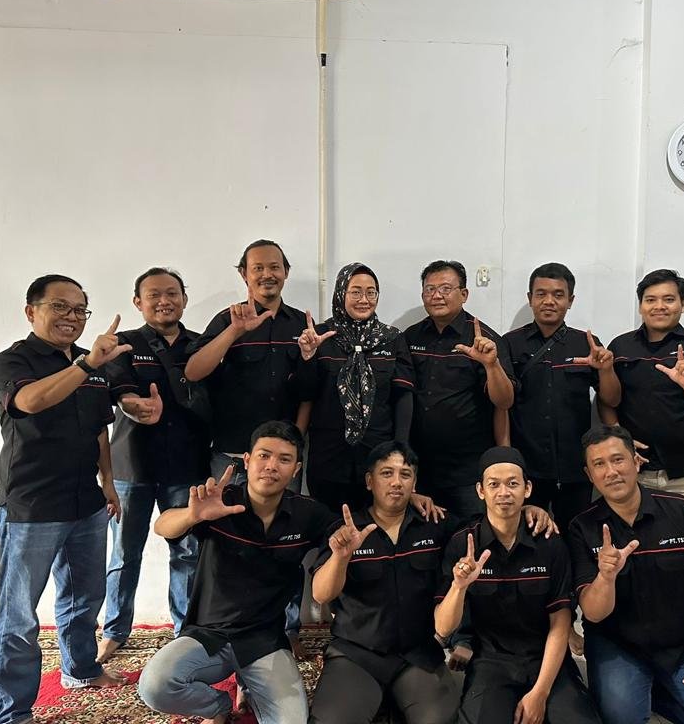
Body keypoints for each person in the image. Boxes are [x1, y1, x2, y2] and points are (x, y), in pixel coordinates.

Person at [308, 441, 558, 724]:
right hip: (357, 654)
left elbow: (487, 525)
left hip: (419, 655)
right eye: (386, 473)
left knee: (442, 720)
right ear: (369, 481)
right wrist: (341, 557)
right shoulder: (348, 529)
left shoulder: (437, 523)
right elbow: (321, 594)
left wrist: (525, 509)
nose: (396, 482)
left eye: (405, 475)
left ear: (414, 483)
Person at [0, 274, 128, 724]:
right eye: (60, 307)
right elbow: (30, 401)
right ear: (32, 311)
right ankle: (11, 713)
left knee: (85, 596)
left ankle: (80, 669)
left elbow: (99, 430)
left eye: (80, 310)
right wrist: (87, 364)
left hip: (86, 501)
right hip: (32, 506)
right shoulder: (13, 360)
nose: (72, 317)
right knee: (18, 617)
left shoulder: (92, 365)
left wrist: (108, 482)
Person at [138, 420, 339, 724]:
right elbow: (162, 525)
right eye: (264, 455)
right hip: (208, 636)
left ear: (296, 469)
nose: (271, 466)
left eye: (284, 459)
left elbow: (341, 530)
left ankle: (249, 684)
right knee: (156, 687)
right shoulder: (220, 501)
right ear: (247, 460)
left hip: (264, 641)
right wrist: (192, 515)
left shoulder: (307, 513)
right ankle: (218, 706)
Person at [569, 424, 684, 724]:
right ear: (589, 475)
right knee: (623, 717)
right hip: (617, 646)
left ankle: (661, 691)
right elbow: (594, 613)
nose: (611, 472)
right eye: (599, 464)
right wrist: (606, 577)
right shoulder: (582, 528)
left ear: (636, 461)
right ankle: (650, 690)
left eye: (618, 459)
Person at [434, 447, 598, 724]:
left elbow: (560, 623)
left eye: (512, 483)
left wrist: (540, 693)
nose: (504, 492)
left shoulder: (550, 542)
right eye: (493, 484)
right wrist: (459, 587)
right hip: (490, 662)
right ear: (480, 491)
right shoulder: (463, 543)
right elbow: (442, 627)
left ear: (527, 489)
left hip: (546, 658)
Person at [97, 267, 211, 663]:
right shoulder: (123, 345)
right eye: (154, 295)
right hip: (133, 467)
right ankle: (114, 630)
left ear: (184, 298)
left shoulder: (201, 345)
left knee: (187, 552)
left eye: (172, 293)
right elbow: (120, 392)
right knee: (124, 554)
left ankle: (185, 630)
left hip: (187, 466)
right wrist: (134, 405)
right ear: (138, 302)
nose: (165, 301)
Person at [599, 269, 684, 519]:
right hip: (633, 473)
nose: (659, 306)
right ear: (641, 306)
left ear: (683, 304)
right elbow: (607, 401)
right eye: (651, 299)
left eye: (669, 299)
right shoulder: (621, 346)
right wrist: (618, 436)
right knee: (634, 541)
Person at [505, 262, 620, 529]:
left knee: (578, 536)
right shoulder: (510, 343)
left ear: (570, 300)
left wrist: (606, 370)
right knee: (527, 536)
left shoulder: (586, 343)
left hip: (576, 466)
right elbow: (501, 404)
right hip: (527, 466)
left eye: (558, 294)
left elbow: (611, 400)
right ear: (530, 298)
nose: (549, 301)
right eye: (541, 294)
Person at [296, 263, 416, 512]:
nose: (364, 299)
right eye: (356, 292)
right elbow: (305, 393)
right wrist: (307, 357)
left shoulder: (392, 338)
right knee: (328, 525)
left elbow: (403, 397)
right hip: (329, 455)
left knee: (375, 523)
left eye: (371, 292)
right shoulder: (320, 336)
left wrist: (401, 449)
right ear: (341, 294)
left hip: (377, 454)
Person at [184, 239, 307, 483]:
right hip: (233, 455)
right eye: (258, 268)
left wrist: (298, 439)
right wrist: (234, 332)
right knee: (226, 510)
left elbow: (310, 390)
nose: (267, 274)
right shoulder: (227, 320)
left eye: (274, 267)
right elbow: (193, 372)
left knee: (286, 510)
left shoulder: (302, 324)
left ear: (286, 272)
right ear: (244, 274)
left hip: (283, 456)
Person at [404, 260, 517, 519]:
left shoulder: (485, 340)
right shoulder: (411, 337)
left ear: (464, 294)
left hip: (468, 471)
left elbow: (504, 401)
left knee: (471, 535)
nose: (437, 295)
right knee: (424, 537)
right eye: (430, 289)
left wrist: (491, 364)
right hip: (421, 467)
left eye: (446, 288)